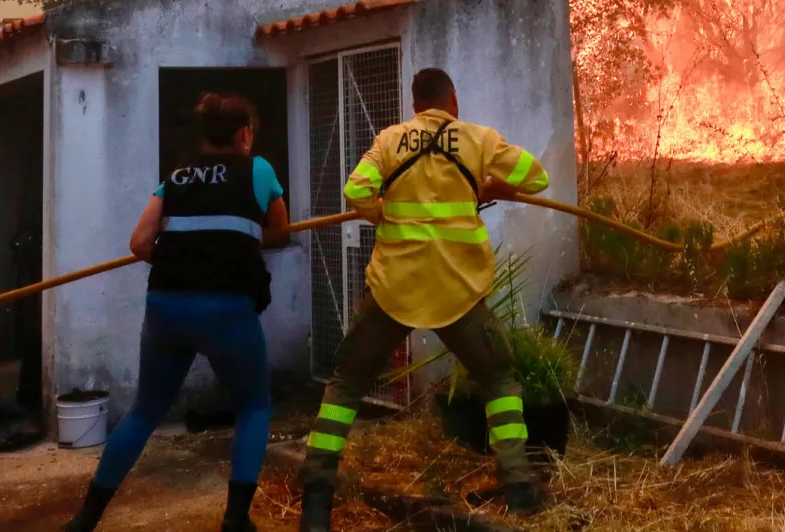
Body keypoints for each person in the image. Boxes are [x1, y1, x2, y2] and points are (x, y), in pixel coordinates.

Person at [298, 67, 552, 530]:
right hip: (456, 290)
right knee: (498, 379)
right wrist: (489, 186)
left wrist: (381, 214)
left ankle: (316, 499)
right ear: (451, 99)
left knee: (346, 385)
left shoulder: (391, 140)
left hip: (395, 287)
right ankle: (518, 485)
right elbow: (536, 178)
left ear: (415, 103)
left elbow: (355, 189)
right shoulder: (478, 140)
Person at [63, 94, 289, 532]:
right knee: (254, 405)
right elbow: (279, 231)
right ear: (245, 134)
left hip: (166, 306)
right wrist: (231, 247)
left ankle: (85, 518)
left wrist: (185, 259)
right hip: (226, 308)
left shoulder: (177, 177)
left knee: (145, 411)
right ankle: (236, 519)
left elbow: (140, 243)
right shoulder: (257, 169)